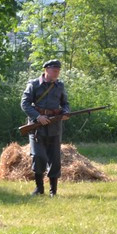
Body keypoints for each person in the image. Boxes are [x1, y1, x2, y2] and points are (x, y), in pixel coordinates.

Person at [20, 59, 69, 196]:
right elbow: (25, 104)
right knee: (39, 156)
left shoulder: (60, 86)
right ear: (46, 69)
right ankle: (39, 188)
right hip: (37, 127)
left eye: (58, 71)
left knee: (55, 158)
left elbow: (65, 103)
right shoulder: (34, 84)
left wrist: (65, 113)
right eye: (54, 70)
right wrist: (37, 117)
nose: (57, 73)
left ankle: (53, 191)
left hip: (54, 126)